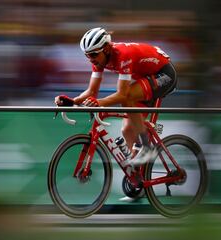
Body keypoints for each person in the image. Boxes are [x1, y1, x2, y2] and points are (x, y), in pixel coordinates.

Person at [55, 27, 177, 166]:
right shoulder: (99, 59)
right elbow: (91, 91)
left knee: (128, 96)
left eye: (93, 54)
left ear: (106, 48)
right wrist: (73, 101)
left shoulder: (122, 55)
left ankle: (147, 148)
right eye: (87, 55)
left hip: (165, 75)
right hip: (146, 78)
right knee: (127, 130)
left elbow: (122, 94)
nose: (90, 59)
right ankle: (139, 174)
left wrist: (99, 102)